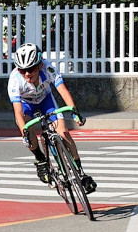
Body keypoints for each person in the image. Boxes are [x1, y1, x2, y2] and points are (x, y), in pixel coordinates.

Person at [8, 42, 97, 193]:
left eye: (30, 69)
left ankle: (80, 172)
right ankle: (40, 159)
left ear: (40, 66)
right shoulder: (15, 79)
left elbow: (63, 91)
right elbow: (18, 112)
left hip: (46, 101)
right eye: (23, 71)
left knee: (64, 133)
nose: (27, 74)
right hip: (26, 106)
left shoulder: (48, 69)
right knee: (27, 131)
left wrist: (74, 112)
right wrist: (25, 134)